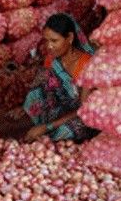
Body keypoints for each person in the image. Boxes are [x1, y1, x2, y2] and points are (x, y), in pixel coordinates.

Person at [14, 13, 99, 143]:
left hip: (82, 115)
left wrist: (47, 127)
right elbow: (41, 88)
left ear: (70, 38)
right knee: (43, 78)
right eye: (46, 40)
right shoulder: (51, 59)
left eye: (54, 41)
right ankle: (42, 128)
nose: (49, 46)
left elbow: (83, 108)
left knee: (61, 132)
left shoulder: (87, 64)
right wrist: (25, 108)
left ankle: (48, 135)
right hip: (62, 108)